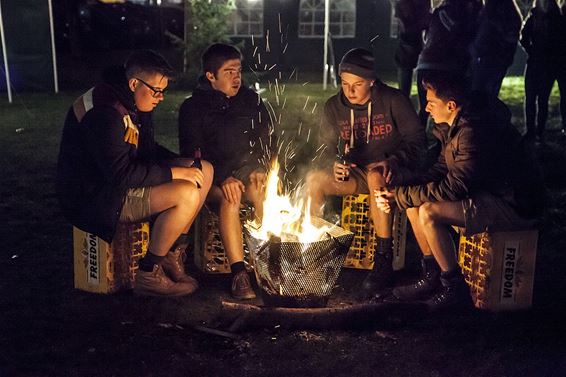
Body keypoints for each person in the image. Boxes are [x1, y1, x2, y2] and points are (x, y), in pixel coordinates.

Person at [375, 72, 544, 310]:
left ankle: (454, 287)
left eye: (431, 103)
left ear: (451, 105)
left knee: (429, 212)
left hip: (514, 202)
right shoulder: (452, 126)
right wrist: (403, 191)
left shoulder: (472, 131)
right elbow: (441, 170)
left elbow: (456, 187)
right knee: (413, 203)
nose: (427, 109)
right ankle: (431, 276)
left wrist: (401, 196)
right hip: (487, 193)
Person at [57, 50, 213, 297]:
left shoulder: (131, 101)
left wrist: (182, 165)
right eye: (156, 91)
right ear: (133, 83)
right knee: (186, 194)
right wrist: (173, 173)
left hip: (118, 183)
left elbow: (144, 149)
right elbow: (121, 175)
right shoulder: (105, 113)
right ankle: (148, 274)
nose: (160, 97)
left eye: (163, 90)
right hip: (96, 197)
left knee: (204, 169)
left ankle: (171, 253)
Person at [305, 48, 426, 298]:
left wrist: (393, 160)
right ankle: (314, 250)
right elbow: (322, 149)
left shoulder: (394, 100)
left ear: (371, 81)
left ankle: (383, 259)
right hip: (357, 172)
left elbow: (418, 142)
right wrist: (333, 164)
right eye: (344, 83)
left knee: (375, 176)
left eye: (357, 84)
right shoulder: (334, 107)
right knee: (313, 179)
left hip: (391, 171)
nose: (349, 92)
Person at [178, 43, 272, 300]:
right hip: (211, 178)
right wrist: (221, 176)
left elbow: (266, 140)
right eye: (229, 71)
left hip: (245, 171)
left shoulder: (251, 100)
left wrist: (259, 168)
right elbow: (192, 154)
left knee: (265, 192)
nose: (236, 77)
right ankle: (239, 274)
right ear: (211, 76)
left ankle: (271, 264)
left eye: (239, 70)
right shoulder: (193, 108)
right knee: (230, 200)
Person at [415, 0, 481, 127]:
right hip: (446, 66)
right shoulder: (456, 13)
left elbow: (427, 37)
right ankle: (442, 142)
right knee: (447, 109)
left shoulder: (439, 12)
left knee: (426, 108)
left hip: (427, 63)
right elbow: (463, 36)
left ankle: (419, 143)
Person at [520, 0, 562, 141]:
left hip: (546, 63)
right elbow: (523, 37)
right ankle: (532, 130)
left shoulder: (556, 20)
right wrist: (531, 50)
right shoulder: (534, 17)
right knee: (531, 98)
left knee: (542, 99)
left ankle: (538, 131)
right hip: (536, 62)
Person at [470, 0, 522, 101]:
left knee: (478, 94)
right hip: (497, 60)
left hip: (486, 59)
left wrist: (474, 49)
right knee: (489, 95)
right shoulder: (510, 13)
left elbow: (482, 35)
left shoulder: (490, 13)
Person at [394, 0, 431, 97]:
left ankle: (404, 103)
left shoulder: (403, 5)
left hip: (409, 43)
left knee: (406, 74)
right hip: (413, 43)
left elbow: (403, 24)